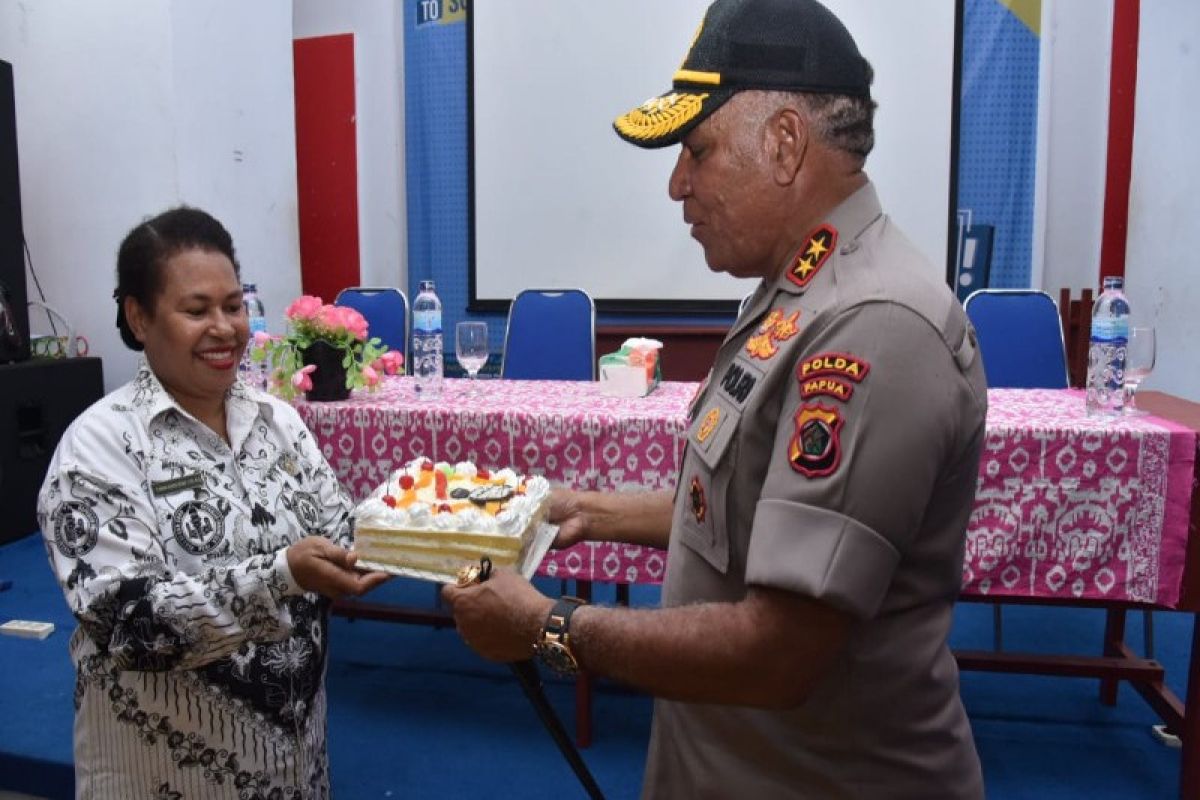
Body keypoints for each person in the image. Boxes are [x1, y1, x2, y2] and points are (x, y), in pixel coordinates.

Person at [442, 0, 988, 797]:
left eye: (697, 150)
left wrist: (546, 627)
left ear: (784, 143)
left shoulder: (874, 326)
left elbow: (780, 651)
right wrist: (582, 511)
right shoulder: (796, 291)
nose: (677, 184)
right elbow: (751, 508)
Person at [37, 206, 388, 798]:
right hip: (168, 772)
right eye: (196, 311)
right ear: (139, 316)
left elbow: (338, 526)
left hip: (296, 764)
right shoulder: (98, 447)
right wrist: (280, 577)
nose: (225, 328)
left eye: (234, 305)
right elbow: (130, 624)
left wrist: (436, 521)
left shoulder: (277, 420)